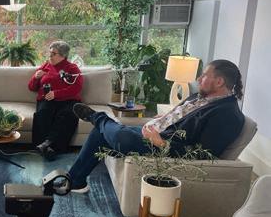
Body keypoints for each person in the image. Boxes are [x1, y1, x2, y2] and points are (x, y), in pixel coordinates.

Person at [68, 59, 245, 193]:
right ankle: (75, 181)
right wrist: (167, 117)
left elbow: (204, 154)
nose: (198, 79)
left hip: (164, 146)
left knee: (122, 138)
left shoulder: (228, 115)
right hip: (157, 132)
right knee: (101, 132)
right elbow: (183, 114)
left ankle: (97, 117)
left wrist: (161, 142)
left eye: (204, 75)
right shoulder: (201, 97)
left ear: (219, 82)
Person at [28, 40, 83, 161]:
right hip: (47, 99)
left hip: (68, 100)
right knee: (43, 113)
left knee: (68, 115)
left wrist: (56, 94)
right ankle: (49, 149)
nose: (50, 56)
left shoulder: (72, 68)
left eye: (53, 54)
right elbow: (31, 87)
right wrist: (36, 77)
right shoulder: (46, 66)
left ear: (63, 55)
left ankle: (46, 145)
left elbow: (76, 88)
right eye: (50, 53)